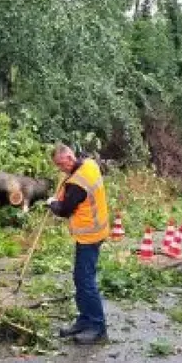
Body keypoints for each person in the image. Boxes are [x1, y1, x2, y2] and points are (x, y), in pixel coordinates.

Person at [46, 144, 110, 344]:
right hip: (95, 231)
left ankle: (98, 327)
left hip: (89, 236)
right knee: (80, 279)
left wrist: (51, 204)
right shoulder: (89, 164)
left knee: (86, 282)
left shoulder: (78, 183)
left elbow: (65, 210)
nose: (59, 168)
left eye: (60, 164)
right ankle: (84, 320)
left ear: (69, 157)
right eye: (57, 165)